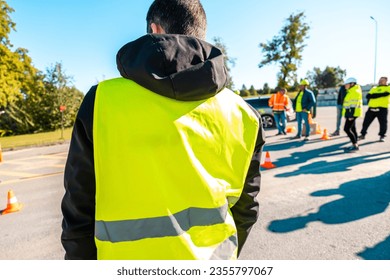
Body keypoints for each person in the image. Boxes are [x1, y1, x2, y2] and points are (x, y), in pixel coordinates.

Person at [61, 0, 265, 260]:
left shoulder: (101, 101)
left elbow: (79, 211)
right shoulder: (243, 114)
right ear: (200, 34)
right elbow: (246, 210)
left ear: (154, 30)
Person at [358, 76, 390, 142]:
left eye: (382, 80)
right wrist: (381, 94)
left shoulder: (388, 88)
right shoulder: (374, 88)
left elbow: (386, 94)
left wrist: (374, 95)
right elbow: (368, 96)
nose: (380, 81)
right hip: (371, 108)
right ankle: (363, 134)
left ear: (386, 81)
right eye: (380, 80)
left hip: (382, 109)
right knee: (366, 122)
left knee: (383, 123)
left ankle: (382, 135)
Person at [342, 77, 363, 152]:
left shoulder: (355, 92)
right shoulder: (351, 91)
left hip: (353, 114)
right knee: (353, 128)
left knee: (346, 129)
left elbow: (353, 105)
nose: (345, 86)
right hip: (350, 113)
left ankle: (355, 145)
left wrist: (350, 115)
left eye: (346, 84)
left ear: (352, 84)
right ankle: (355, 143)